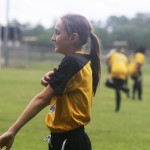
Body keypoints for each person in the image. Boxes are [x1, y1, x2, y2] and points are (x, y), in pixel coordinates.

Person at [0, 14, 102, 150]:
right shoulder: (83, 60)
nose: (52, 38)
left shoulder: (72, 61)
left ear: (73, 37)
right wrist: (53, 82)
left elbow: (42, 99)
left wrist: (12, 131)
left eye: (57, 33)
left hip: (69, 142)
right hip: (71, 139)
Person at [105, 47, 129, 112]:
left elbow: (108, 64)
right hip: (123, 73)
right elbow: (126, 66)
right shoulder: (124, 56)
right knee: (118, 89)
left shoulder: (113, 55)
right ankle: (123, 88)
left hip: (115, 72)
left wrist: (109, 74)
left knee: (107, 84)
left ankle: (117, 109)